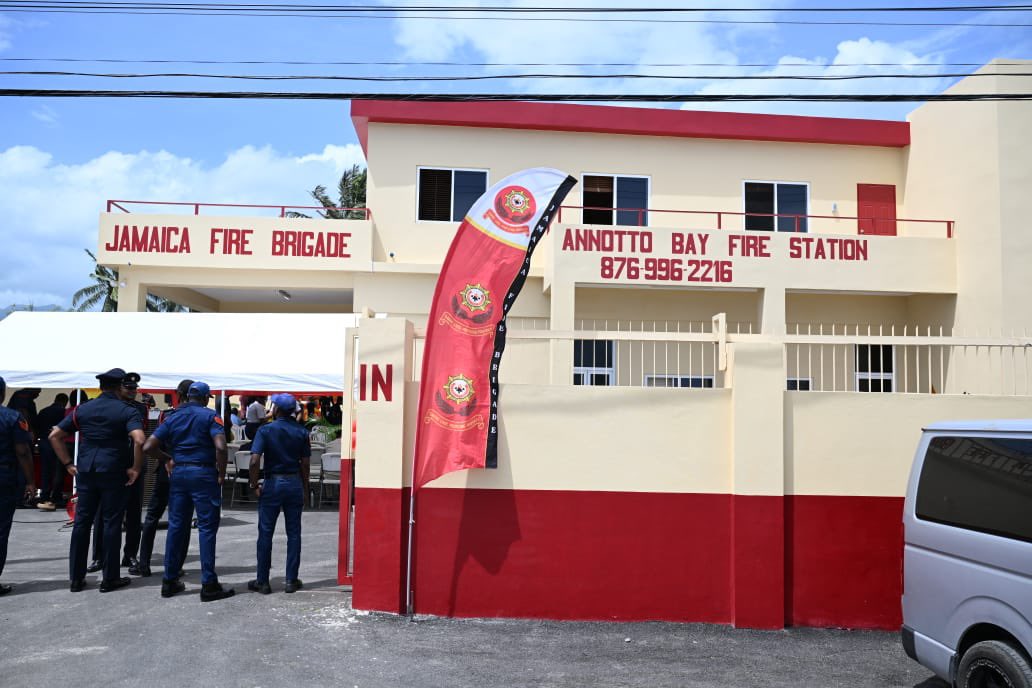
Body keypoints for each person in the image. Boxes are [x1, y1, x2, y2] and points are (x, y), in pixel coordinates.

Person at [49, 368, 145, 593]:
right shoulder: (126, 410)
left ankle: (76, 578)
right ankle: (110, 578)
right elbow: (139, 440)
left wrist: (67, 464)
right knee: (112, 522)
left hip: (86, 470)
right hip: (113, 470)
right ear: (120, 386)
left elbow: (55, 435)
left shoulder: (83, 409)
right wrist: (136, 468)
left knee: (82, 523)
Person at [143, 381, 234, 602]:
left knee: (176, 527)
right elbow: (221, 447)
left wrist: (168, 459)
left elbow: (148, 446)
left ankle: (169, 580)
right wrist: (221, 473)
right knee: (206, 528)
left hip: (180, 474)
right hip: (203, 474)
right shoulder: (210, 417)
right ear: (205, 398)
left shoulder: (172, 417)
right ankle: (209, 584)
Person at [247, 393, 310, 595]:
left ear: (276, 409)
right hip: (293, 483)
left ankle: (263, 581)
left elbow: (255, 460)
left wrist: (253, 483)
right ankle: (291, 580)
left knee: (265, 533)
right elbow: (305, 463)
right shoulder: (301, 432)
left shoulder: (265, 430)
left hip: (272, 483)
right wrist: (305, 487)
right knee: (294, 533)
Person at [133, 379, 194, 578]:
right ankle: (176, 565)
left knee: (152, 517)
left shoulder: (166, 416)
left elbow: (153, 444)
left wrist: (166, 459)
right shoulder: (203, 416)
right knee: (182, 521)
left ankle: (144, 564)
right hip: (187, 471)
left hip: (165, 470)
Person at [0, 377, 36, 596]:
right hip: (4, 478)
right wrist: (31, 481)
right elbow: (22, 451)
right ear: (3, 393)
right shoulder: (13, 417)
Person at [7, 387, 40, 508]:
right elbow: (23, 453)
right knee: (22, 467)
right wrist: (30, 430)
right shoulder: (24, 401)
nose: (38, 395)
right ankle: (19, 499)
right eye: (38, 392)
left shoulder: (18, 397)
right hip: (22, 437)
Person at [35, 392, 69, 511]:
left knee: (45, 470)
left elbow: (36, 427)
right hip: (58, 443)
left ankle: (44, 496)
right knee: (57, 471)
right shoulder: (63, 412)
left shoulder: (43, 411)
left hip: (44, 442)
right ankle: (56, 496)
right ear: (65, 402)